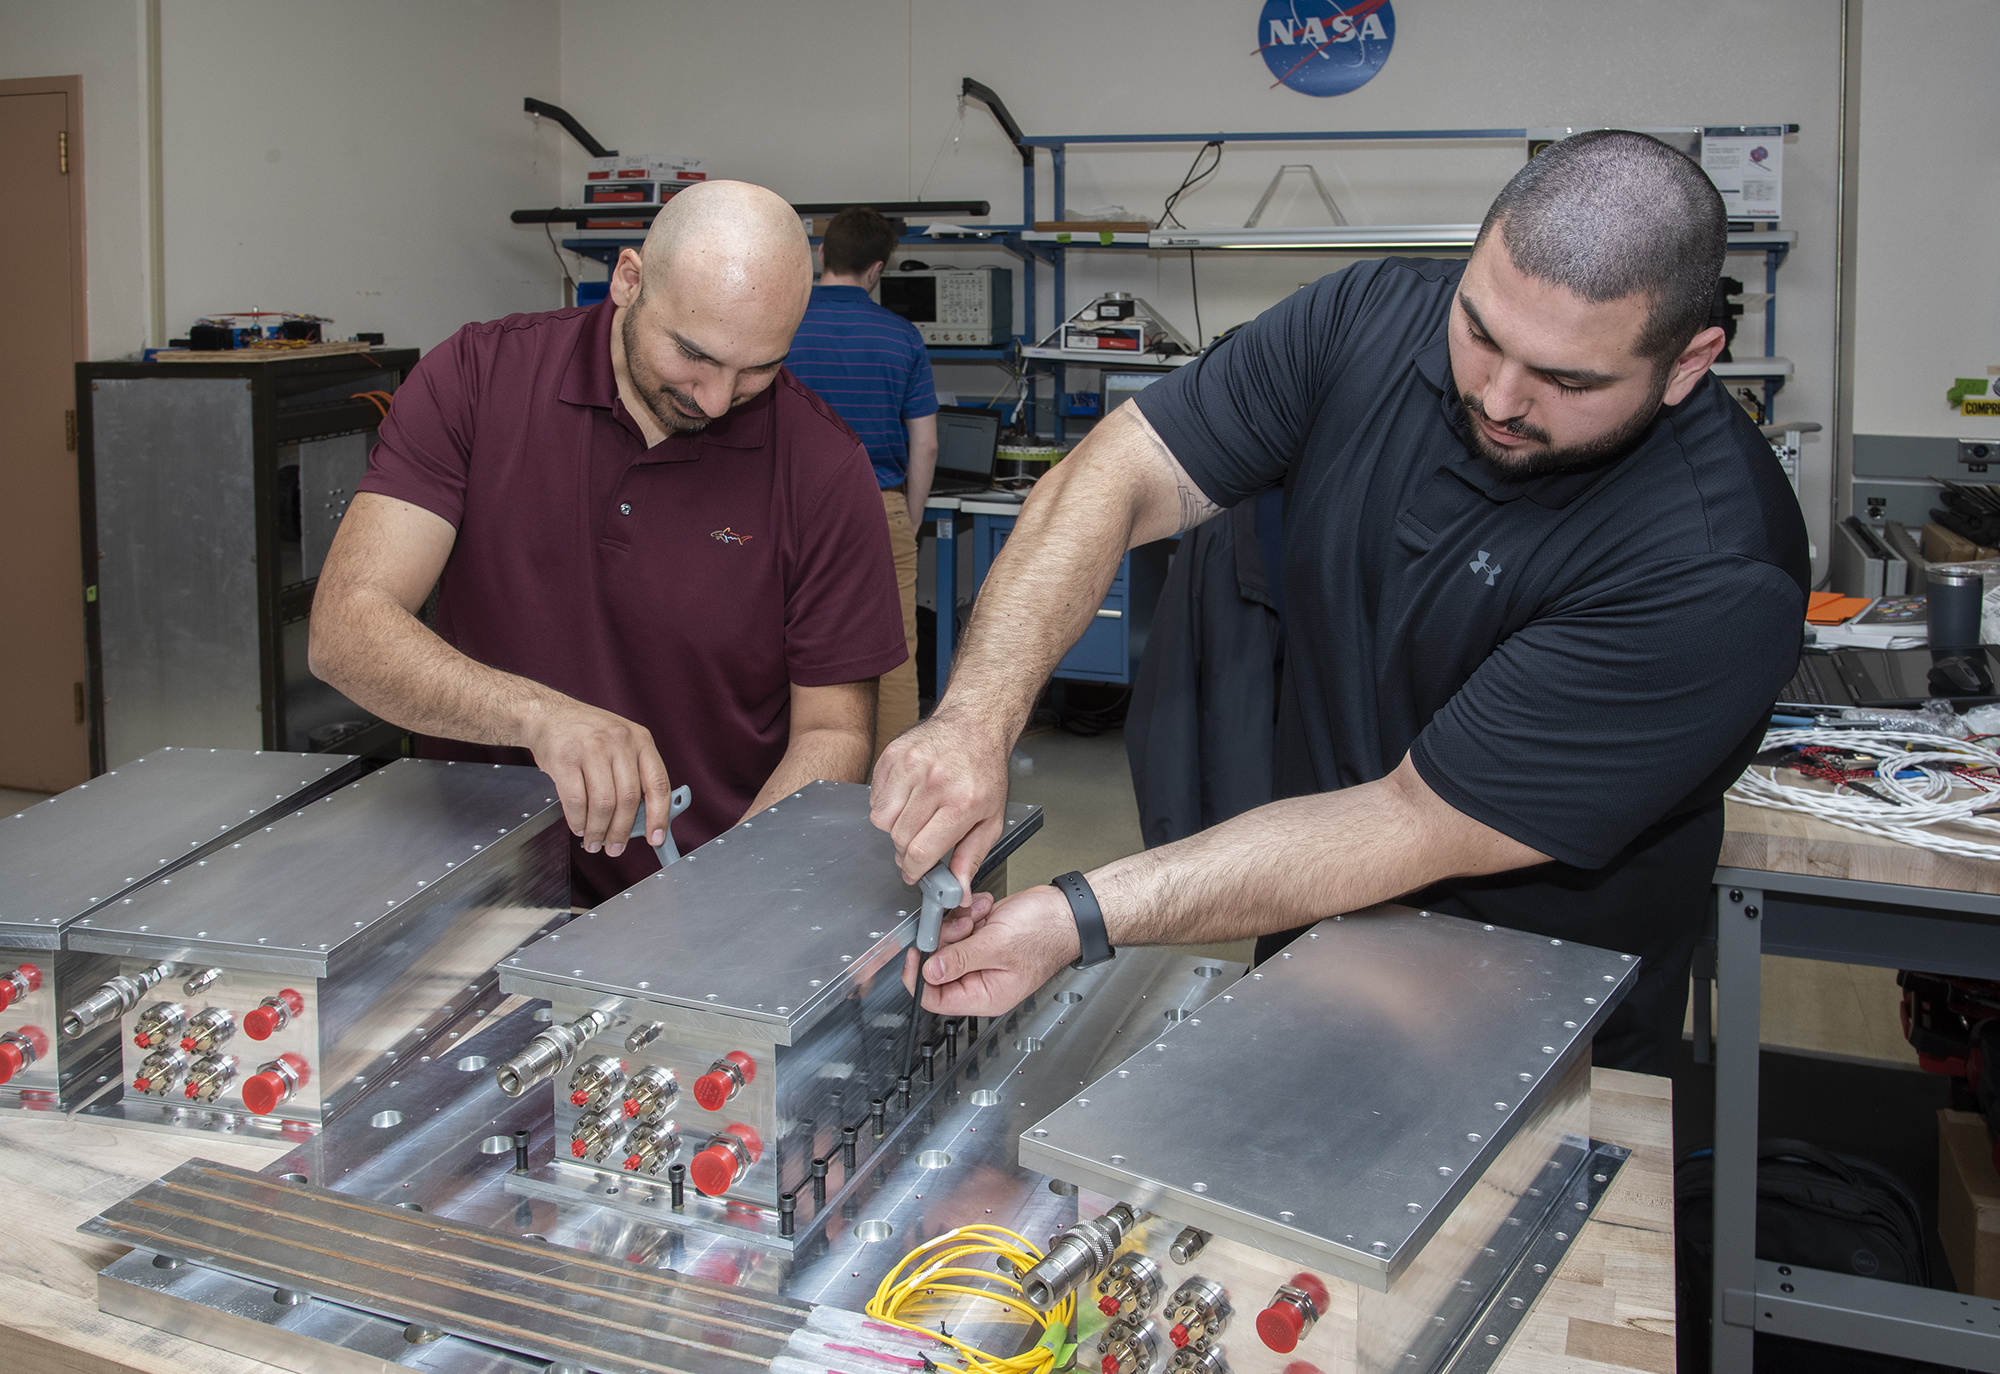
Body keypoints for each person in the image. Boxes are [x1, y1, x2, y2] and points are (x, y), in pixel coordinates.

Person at [869, 131, 1810, 1075]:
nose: (1499, 396)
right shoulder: (1370, 314)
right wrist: (974, 721)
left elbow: (1408, 818)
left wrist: (1075, 915)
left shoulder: (1712, 565)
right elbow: (1118, 468)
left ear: (1688, 364)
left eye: (1568, 381)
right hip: (1309, 944)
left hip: (1534, 1034)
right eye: (1479, 331)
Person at [310, 180, 908, 904]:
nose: (716, 399)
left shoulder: (822, 468)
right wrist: (539, 717)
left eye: (758, 369)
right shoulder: (476, 380)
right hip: (477, 881)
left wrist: (727, 894)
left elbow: (833, 732)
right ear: (629, 281)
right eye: (694, 355)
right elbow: (347, 627)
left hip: (699, 888)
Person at [784, 207, 940, 753]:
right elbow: (926, 442)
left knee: (780, 637)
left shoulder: (783, 323)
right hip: (878, 507)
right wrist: (909, 515)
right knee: (892, 648)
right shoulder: (902, 338)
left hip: (787, 508)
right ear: (877, 269)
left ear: (822, 254)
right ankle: (891, 783)